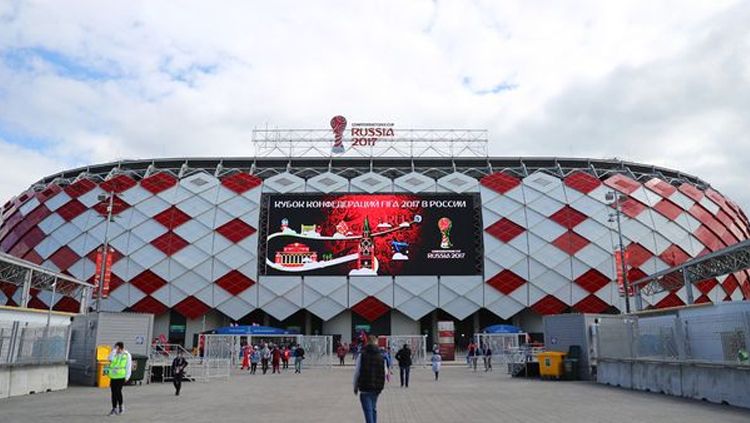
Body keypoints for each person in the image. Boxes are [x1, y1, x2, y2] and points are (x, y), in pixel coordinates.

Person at [353, 336, 386, 423]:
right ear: (376, 343)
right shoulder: (381, 356)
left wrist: (355, 386)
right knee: (373, 408)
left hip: (365, 387)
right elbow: (385, 372)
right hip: (377, 388)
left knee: (368, 411)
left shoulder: (362, 355)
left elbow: (357, 372)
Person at [105, 341, 132, 416]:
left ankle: (121, 405)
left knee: (118, 391)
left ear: (121, 348)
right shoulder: (114, 354)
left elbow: (128, 366)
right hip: (113, 376)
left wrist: (127, 376)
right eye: (116, 348)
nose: (117, 350)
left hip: (121, 376)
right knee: (113, 392)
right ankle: (114, 408)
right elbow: (109, 359)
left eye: (118, 348)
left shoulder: (126, 355)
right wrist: (114, 351)